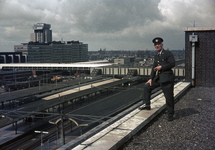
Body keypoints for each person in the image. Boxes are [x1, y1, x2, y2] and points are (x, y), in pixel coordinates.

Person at [139, 37, 175, 121]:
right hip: (159, 78)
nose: (157, 46)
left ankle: (170, 114)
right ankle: (147, 105)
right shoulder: (156, 56)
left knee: (169, 98)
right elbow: (154, 68)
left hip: (167, 79)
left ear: (162, 45)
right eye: (155, 45)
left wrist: (162, 67)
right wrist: (151, 78)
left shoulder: (167, 53)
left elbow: (172, 63)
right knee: (147, 86)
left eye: (158, 44)